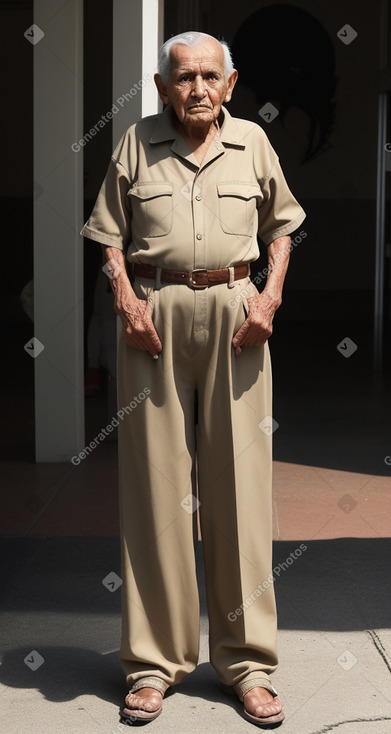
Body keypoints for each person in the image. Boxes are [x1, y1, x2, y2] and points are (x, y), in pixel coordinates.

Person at [80, 30, 305, 728]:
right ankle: (153, 664)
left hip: (240, 317)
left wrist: (268, 300)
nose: (198, 89)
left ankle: (246, 664)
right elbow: (108, 236)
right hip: (154, 320)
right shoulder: (135, 144)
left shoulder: (254, 145)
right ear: (161, 86)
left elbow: (282, 229)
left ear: (230, 84)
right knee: (154, 489)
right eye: (184, 78)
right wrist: (124, 302)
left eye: (210, 76)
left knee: (239, 491)